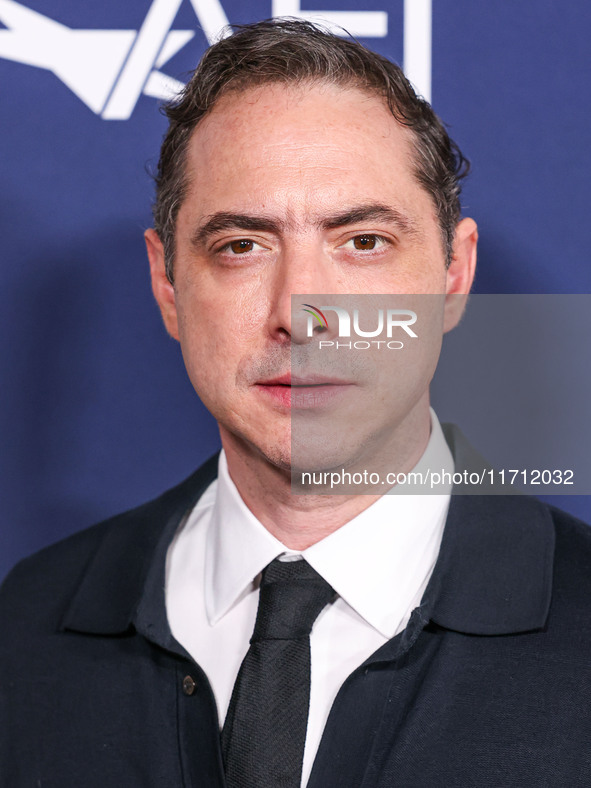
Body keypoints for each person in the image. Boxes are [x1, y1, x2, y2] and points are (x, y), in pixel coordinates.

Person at [2, 18, 591, 787]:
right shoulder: (26, 625)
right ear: (167, 284)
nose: (300, 312)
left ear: (452, 273)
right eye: (241, 246)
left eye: (363, 242)